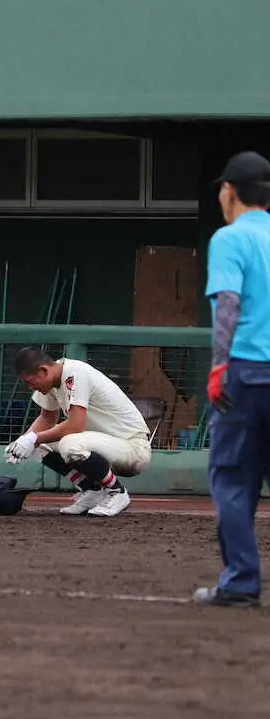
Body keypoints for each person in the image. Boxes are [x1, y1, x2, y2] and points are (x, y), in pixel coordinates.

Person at [194, 151, 270, 608]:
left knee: (232, 481)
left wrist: (219, 366)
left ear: (230, 192)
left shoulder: (230, 237)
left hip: (244, 373)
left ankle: (241, 583)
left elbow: (228, 303)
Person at [5, 346, 152, 518]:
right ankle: (92, 491)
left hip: (133, 448)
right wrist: (22, 442)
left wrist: (33, 438)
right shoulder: (51, 380)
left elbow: (75, 426)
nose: (30, 387)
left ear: (43, 370)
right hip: (105, 444)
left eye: (30, 382)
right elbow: (46, 419)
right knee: (41, 445)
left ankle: (116, 492)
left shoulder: (74, 373)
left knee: (70, 444)